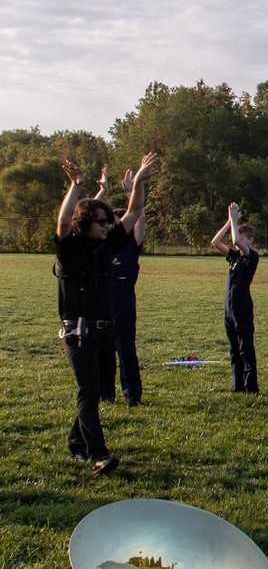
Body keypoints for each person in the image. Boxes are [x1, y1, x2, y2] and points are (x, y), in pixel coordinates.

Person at [55, 152, 158, 475]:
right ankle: (98, 453)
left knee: (97, 390)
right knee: (88, 389)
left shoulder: (108, 245)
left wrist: (139, 182)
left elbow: (135, 210)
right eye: (101, 221)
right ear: (85, 223)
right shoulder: (70, 249)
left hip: (105, 331)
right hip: (79, 332)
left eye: (107, 221)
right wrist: (76, 186)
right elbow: (62, 221)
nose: (108, 225)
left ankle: (76, 441)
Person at [94, 167, 144, 407]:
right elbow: (85, 217)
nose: (110, 228)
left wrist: (131, 190)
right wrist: (102, 190)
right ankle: (105, 394)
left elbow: (138, 214)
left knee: (126, 351)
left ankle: (132, 395)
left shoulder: (132, 245)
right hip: (101, 307)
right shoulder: (101, 247)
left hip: (124, 306)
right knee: (104, 353)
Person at [211, 202, 260, 394]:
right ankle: (238, 386)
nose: (236, 240)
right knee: (234, 350)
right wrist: (228, 222)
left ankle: (251, 387)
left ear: (250, 240)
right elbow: (215, 242)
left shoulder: (251, 257)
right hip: (228, 309)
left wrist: (234, 220)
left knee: (245, 349)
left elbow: (236, 242)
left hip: (242, 308)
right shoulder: (234, 257)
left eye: (241, 237)